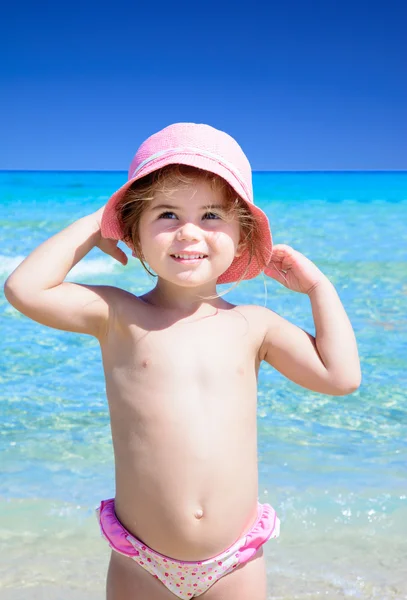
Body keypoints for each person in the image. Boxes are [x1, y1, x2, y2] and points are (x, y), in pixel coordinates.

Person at [4, 122, 361, 600]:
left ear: (242, 233)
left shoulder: (255, 324)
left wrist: (319, 288)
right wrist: (98, 222)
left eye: (212, 215)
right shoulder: (119, 313)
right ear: (134, 230)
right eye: (167, 214)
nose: (189, 231)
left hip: (235, 560)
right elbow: (24, 289)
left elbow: (340, 377)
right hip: (140, 559)